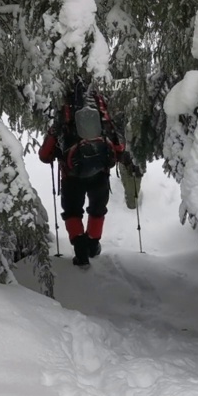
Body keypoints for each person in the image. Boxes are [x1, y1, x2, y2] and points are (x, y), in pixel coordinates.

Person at [38, 77, 129, 266]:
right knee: (97, 209)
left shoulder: (63, 115)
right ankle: (93, 244)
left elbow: (44, 155)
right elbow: (118, 143)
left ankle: (80, 249)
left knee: (72, 211)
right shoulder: (100, 111)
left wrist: (56, 150)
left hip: (71, 175)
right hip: (100, 172)